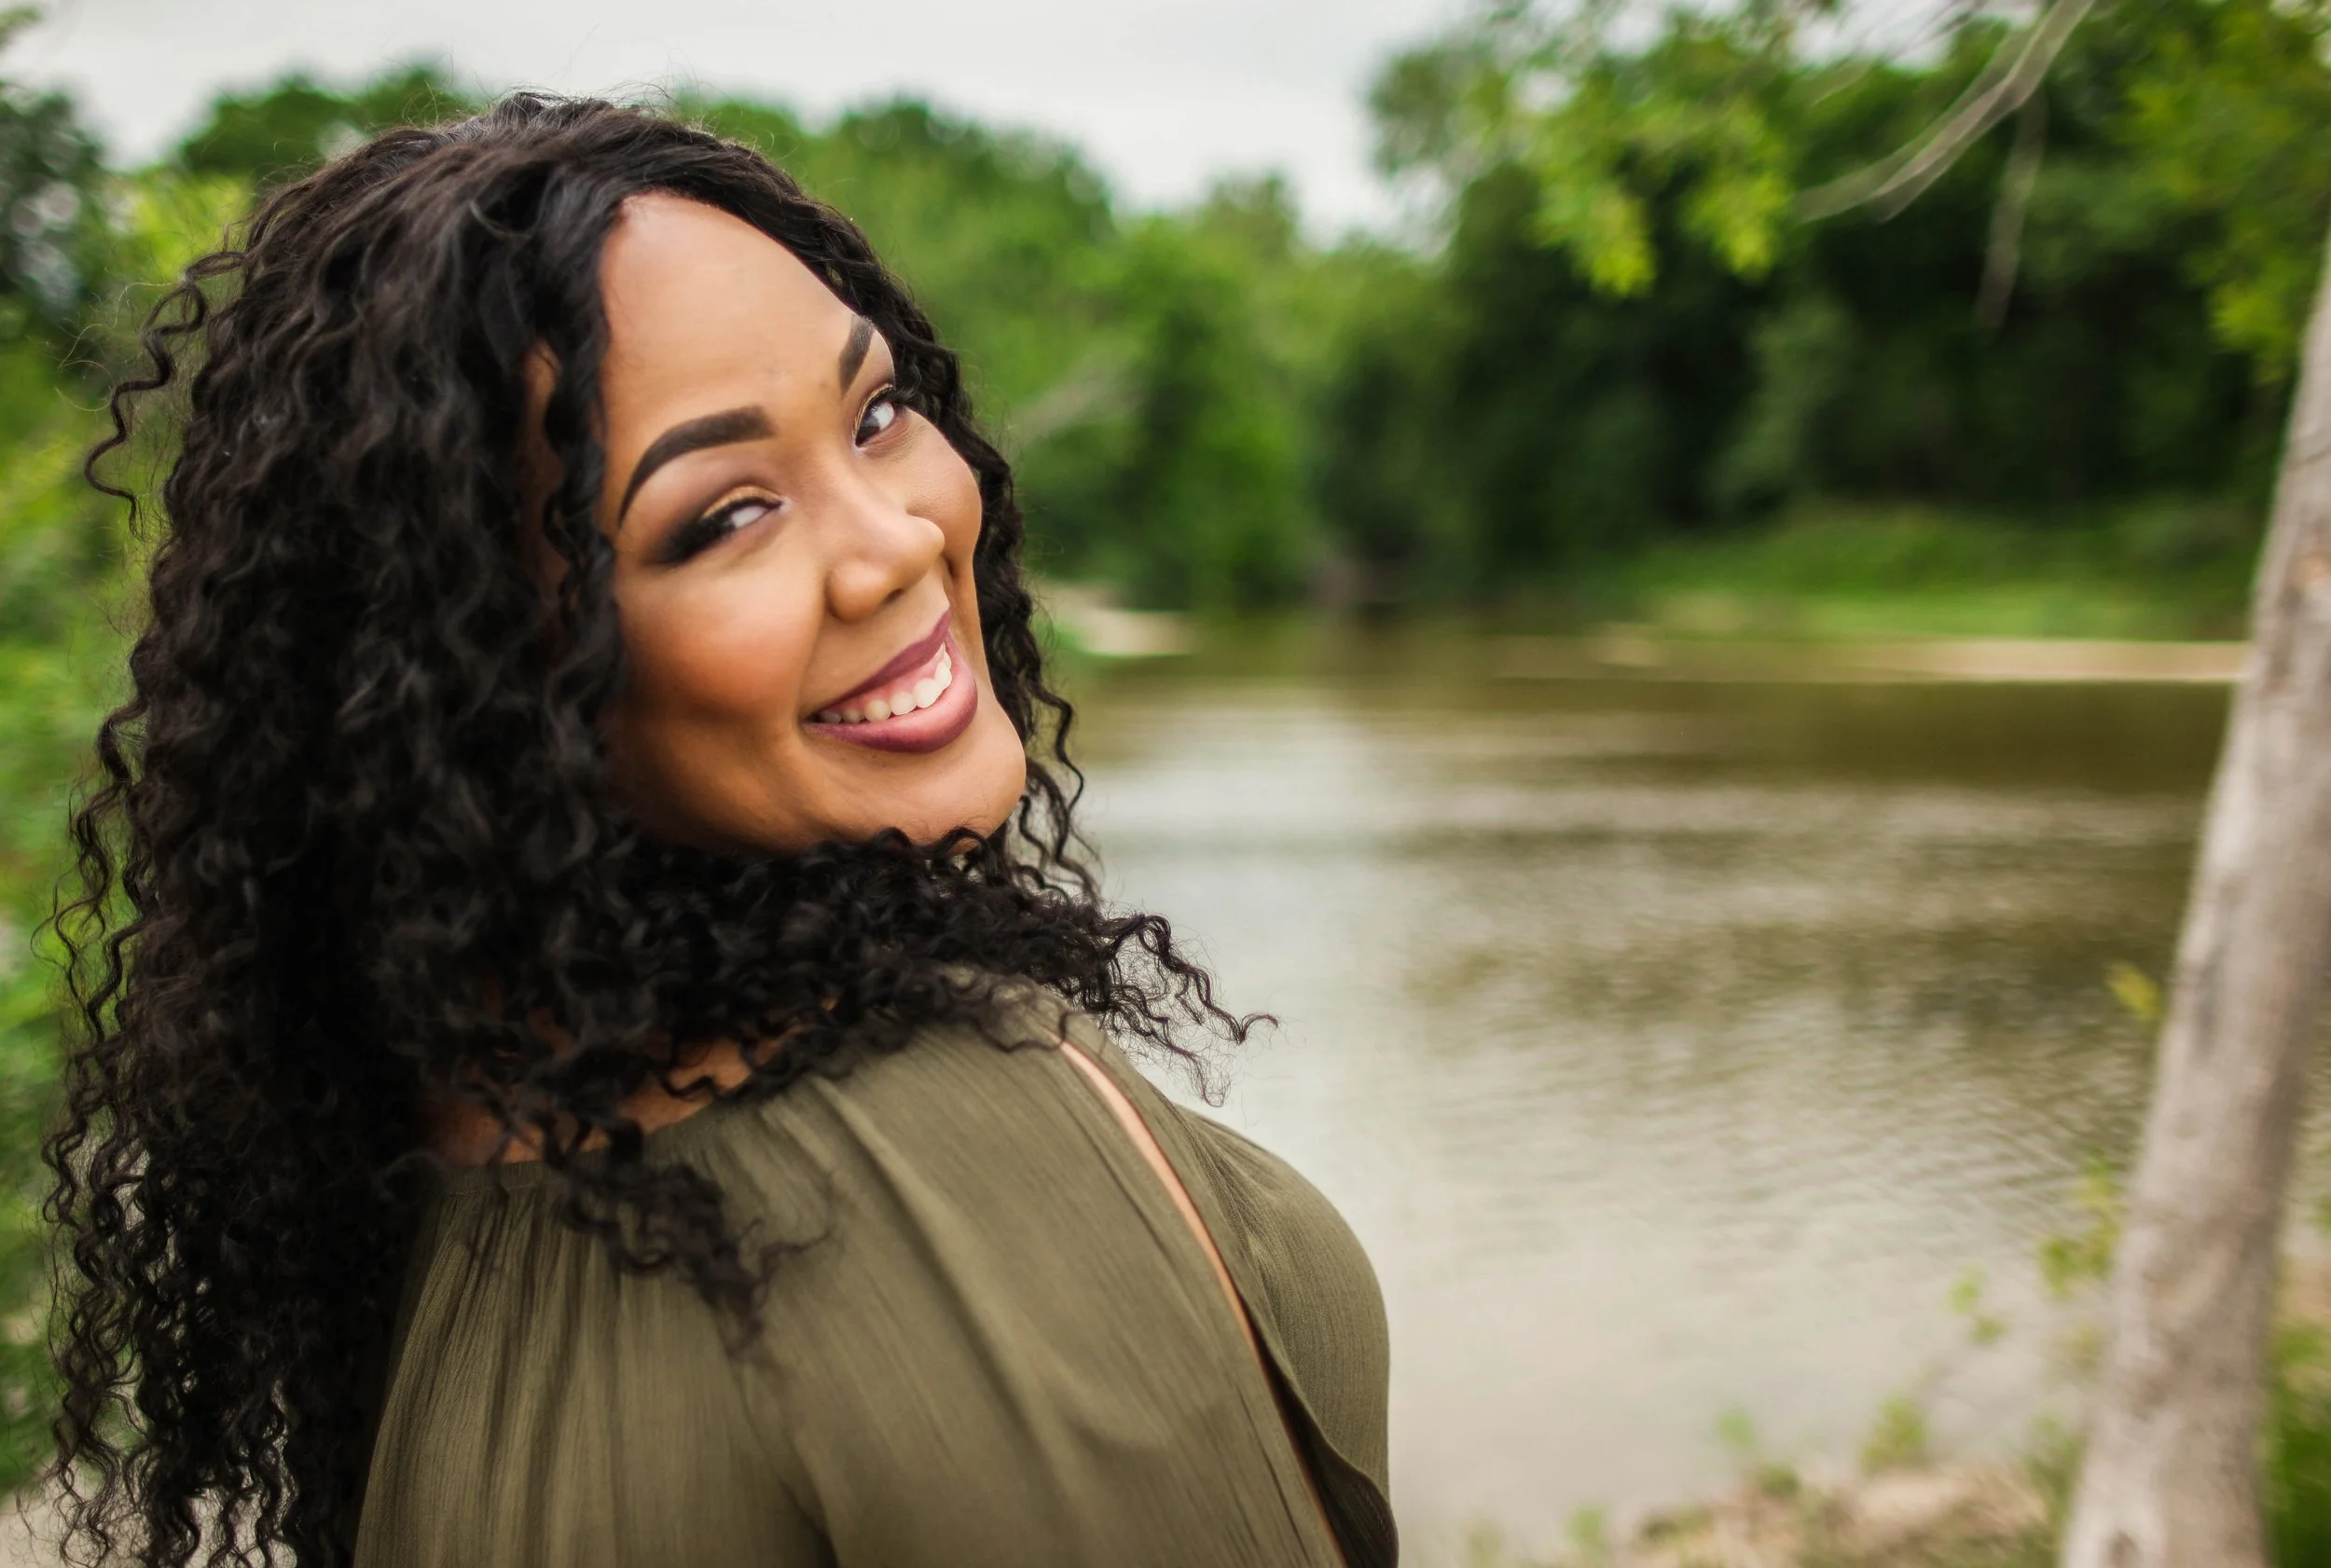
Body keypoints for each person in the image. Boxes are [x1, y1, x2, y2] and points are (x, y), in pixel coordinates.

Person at [44, 96, 1394, 1568]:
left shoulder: (454, 1141)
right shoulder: (941, 1150)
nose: (895, 542)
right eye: (724, 515)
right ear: (486, 676)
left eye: (877, 415)